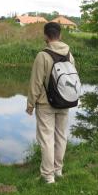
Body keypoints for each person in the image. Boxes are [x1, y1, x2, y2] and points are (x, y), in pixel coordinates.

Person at [26, 22, 75, 184]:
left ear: (46, 36)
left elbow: (36, 83)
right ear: (60, 35)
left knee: (46, 138)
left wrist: (30, 105)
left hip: (46, 105)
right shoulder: (69, 55)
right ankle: (58, 169)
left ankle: (48, 176)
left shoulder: (43, 56)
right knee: (61, 135)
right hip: (65, 101)